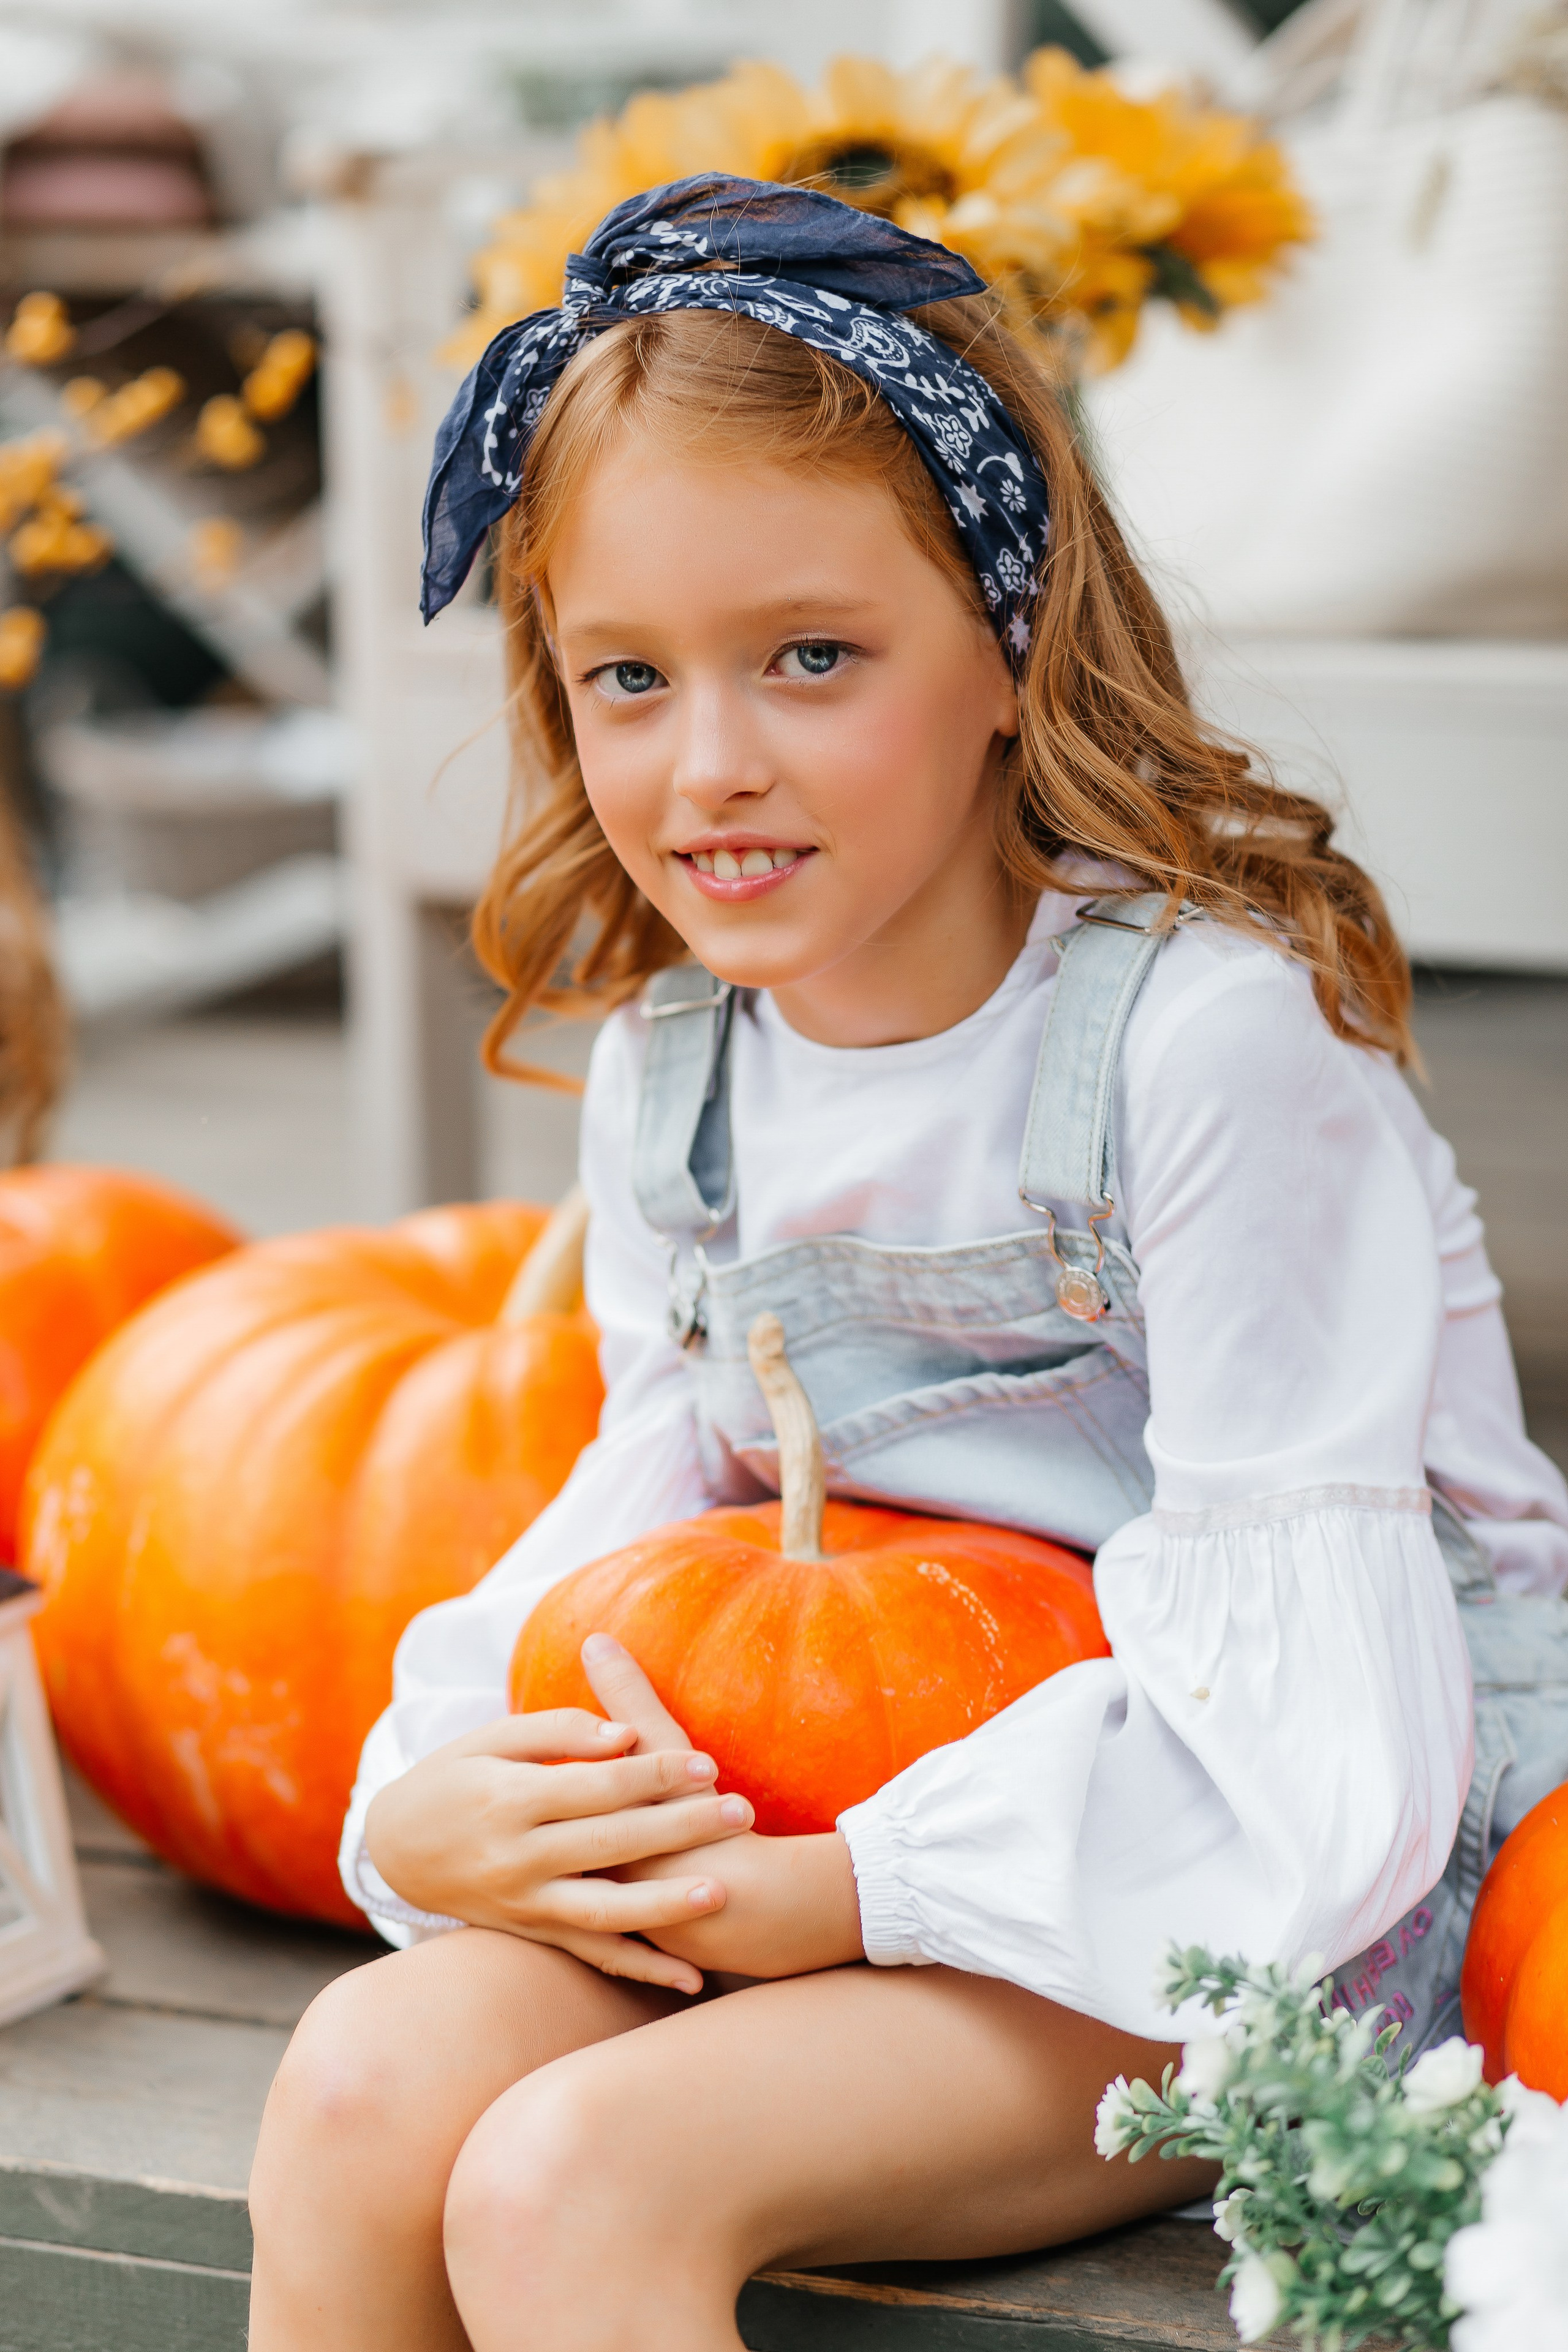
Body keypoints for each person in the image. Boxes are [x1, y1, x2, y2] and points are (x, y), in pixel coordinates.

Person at [247, 176, 1568, 2352]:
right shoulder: (677, 1070)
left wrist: (865, 1889)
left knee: (580, 2176)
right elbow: (638, 1525)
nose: (712, 765)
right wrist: (447, 1803)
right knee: (367, 2084)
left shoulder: (1202, 1043)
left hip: (1246, 1886)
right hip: (827, 1827)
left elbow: (1315, 1741)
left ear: (1008, 642)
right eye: (628, 680)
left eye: (812, 658)